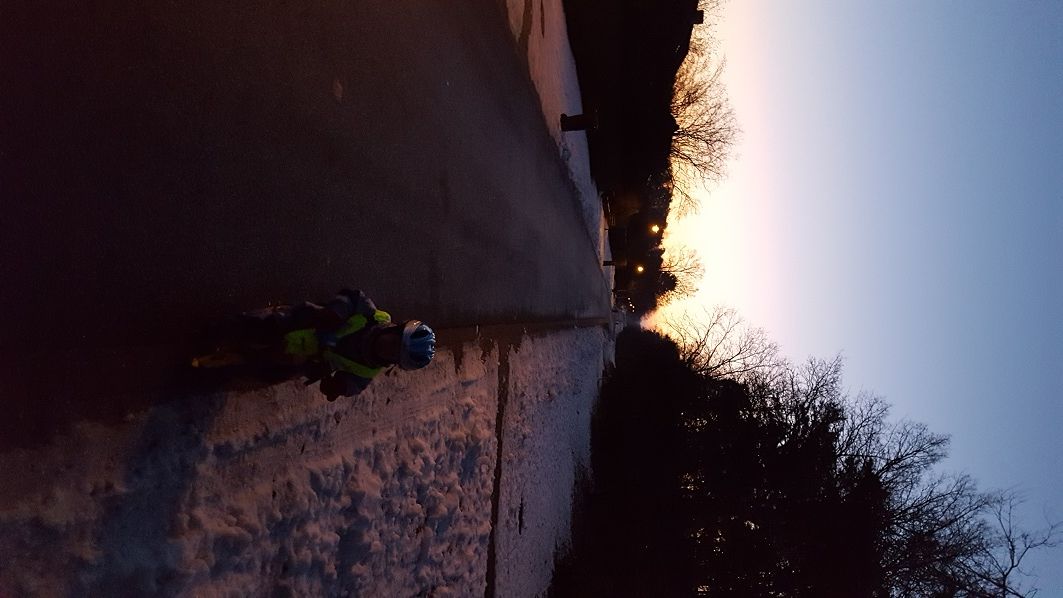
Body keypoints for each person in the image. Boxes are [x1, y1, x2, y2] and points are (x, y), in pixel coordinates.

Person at [252, 288, 436, 401]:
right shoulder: (373, 318)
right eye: (394, 342)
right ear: (396, 330)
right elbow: (354, 298)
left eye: (393, 354)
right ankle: (261, 321)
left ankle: (251, 366)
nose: (387, 348)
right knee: (272, 324)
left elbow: (355, 385)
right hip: (313, 325)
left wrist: (338, 387)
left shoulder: (367, 370)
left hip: (312, 358)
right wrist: (336, 312)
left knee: (274, 371)